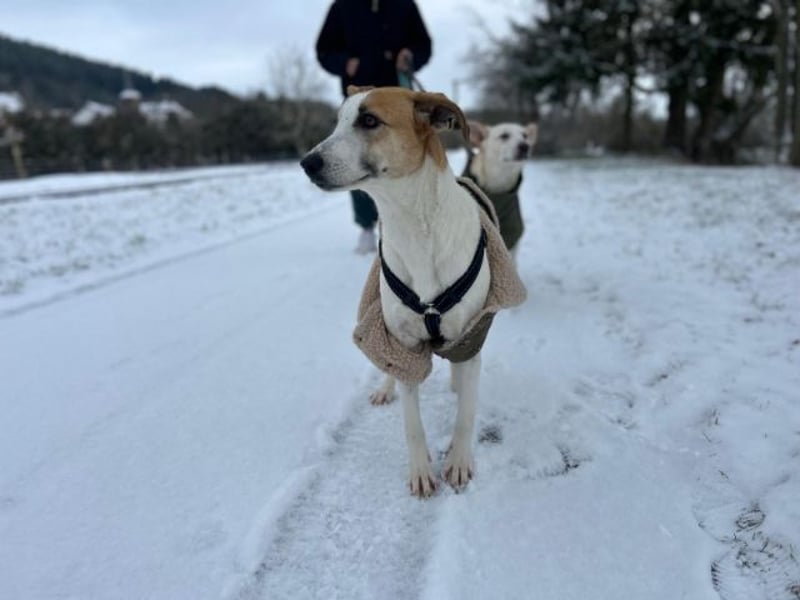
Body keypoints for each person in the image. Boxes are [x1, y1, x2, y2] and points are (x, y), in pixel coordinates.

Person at [314, 0, 432, 254]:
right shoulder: (342, 7)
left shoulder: (404, 5)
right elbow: (324, 51)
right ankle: (367, 225)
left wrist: (410, 55)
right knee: (355, 161)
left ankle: (411, 222)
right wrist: (345, 63)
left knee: (406, 159)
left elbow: (424, 45)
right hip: (359, 95)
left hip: (398, 97)